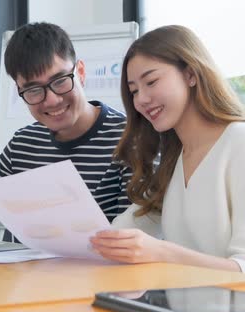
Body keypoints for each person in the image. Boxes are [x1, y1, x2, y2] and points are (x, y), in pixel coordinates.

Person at [0, 22, 132, 240]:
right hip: (30, 271)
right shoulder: (23, 143)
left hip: (102, 271)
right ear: (20, 91)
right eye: (34, 90)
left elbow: (135, 233)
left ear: (80, 72)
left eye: (60, 81)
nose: (52, 100)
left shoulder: (130, 138)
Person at [90, 25, 245, 272]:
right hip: (180, 310)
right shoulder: (173, 161)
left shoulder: (239, 143)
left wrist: (161, 252)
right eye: (134, 91)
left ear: (191, 74)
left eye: (151, 81)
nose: (140, 99)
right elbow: (119, 234)